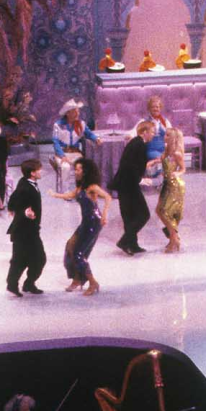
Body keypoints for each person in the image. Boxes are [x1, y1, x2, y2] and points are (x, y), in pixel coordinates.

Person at [58, 156, 110, 295]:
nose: (76, 171)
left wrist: (104, 214)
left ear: (85, 171)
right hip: (86, 222)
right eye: (75, 169)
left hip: (94, 222)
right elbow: (69, 195)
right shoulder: (80, 188)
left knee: (78, 253)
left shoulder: (92, 187)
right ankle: (77, 279)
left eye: (79, 169)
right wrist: (54, 194)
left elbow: (107, 197)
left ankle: (92, 282)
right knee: (70, 246)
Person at [6, 157, 47, 297]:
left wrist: (17, 209)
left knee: (29, 259)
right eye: (39, 170)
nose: (42, 171)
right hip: (24, 231)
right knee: (29, 259)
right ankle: (15, 284)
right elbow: (14, 202)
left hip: (30, 229)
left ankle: (27, 284)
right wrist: (24, 212)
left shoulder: (24, 182)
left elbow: (12, 199)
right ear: (32, 173)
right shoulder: (25, 188)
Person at [112, 121, 153, 254]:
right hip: (128, 184)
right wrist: (140, 179)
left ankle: (132, 244)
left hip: (126, 183)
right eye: (152, 132)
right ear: (144, 132)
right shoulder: (139, 144)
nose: (153, 134)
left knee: (129, 215)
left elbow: (133, 163)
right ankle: (125, 241)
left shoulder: (136, 142)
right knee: (143, 214)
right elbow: (130, 165)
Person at [158, 140, 187, 253]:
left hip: (175, 185)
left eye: (168, 135)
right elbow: (164, 163)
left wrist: (177, 173)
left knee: (167, 212)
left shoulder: (176, 153)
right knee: (160, 211)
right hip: (166, 183)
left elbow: (183, 168)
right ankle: (173, 237)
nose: (165, 137)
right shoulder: (166, 151)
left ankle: (174, 239)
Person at [50, 100, 97, 169]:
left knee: (81, 167)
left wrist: (96, 138)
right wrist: (62, 156)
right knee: (65, 167)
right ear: (68, 113)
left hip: (75, 152)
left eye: (78, 111)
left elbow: (89, 134)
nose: (78, 114)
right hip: (63, 152)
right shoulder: (58, 125)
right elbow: (55, 142)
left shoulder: (81, 124)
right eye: (75, 111)